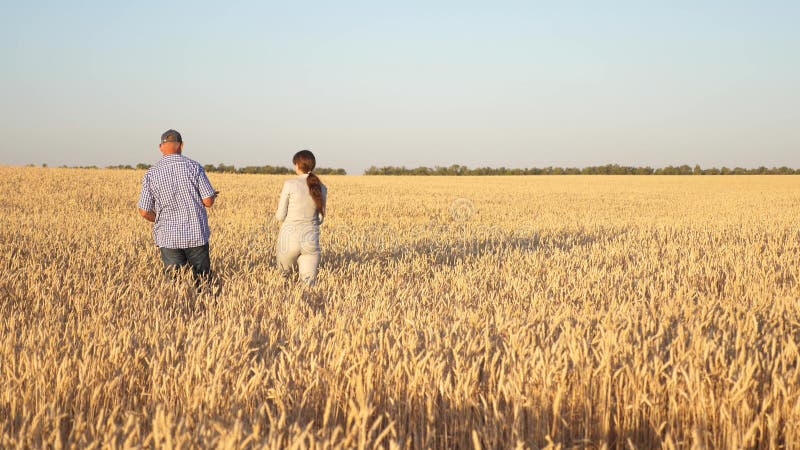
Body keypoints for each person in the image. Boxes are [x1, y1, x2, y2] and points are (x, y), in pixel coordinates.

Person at [137, 129, 218, 285]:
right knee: (203, 283)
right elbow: (208, 201)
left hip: (168, 238)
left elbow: (144, 211)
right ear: (181, 145)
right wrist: (212, 195)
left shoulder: (151, 173)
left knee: (175, 286)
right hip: (196, 235)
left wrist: (160, 219)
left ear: (160, 147)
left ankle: (180, 306)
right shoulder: (194, 167)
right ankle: (203, 308)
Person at [274, 150, 327, 286]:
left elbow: (280, 216)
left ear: (297, 165)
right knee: (308, 286)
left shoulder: (290, 184)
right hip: (310, 239)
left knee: (282, 283)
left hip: (288, 238)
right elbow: (320, 219)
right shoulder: (321, 187)